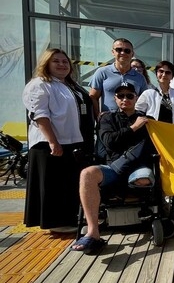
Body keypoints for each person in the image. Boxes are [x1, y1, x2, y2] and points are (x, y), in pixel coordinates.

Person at [72, 82, 156, 254]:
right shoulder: (106, 118)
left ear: (136, 98)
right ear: (115, 99)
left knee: (144, 180)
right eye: (121, 96)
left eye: (129, 95)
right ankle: (92, 231)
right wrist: (134, 128)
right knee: (87, 174)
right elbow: (109, 142)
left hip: (137, 169)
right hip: (113, 167)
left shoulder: (148, 120)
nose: (125, 99)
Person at [22, 48, 95, 232]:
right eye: (56, 61)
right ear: (46, 63)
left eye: (65, 61)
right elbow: (40, 115)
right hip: (51, 144)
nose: (62, 65)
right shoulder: (40, 84)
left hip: (72, 141)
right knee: (53, 185)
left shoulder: (69, 85)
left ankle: (70, 218)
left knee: (67, 183)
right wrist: (53, 141)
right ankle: (56, 223)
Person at [89, 38, 148, 117]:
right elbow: (93, 97)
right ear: (113, 52)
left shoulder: (140, 77)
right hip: (109, 121)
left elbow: (145, 101)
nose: (123, 53)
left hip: (133, 121)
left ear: (132, 54)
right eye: (119, 50)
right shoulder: (102, 72)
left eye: (127, 51)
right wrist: (98, 117)